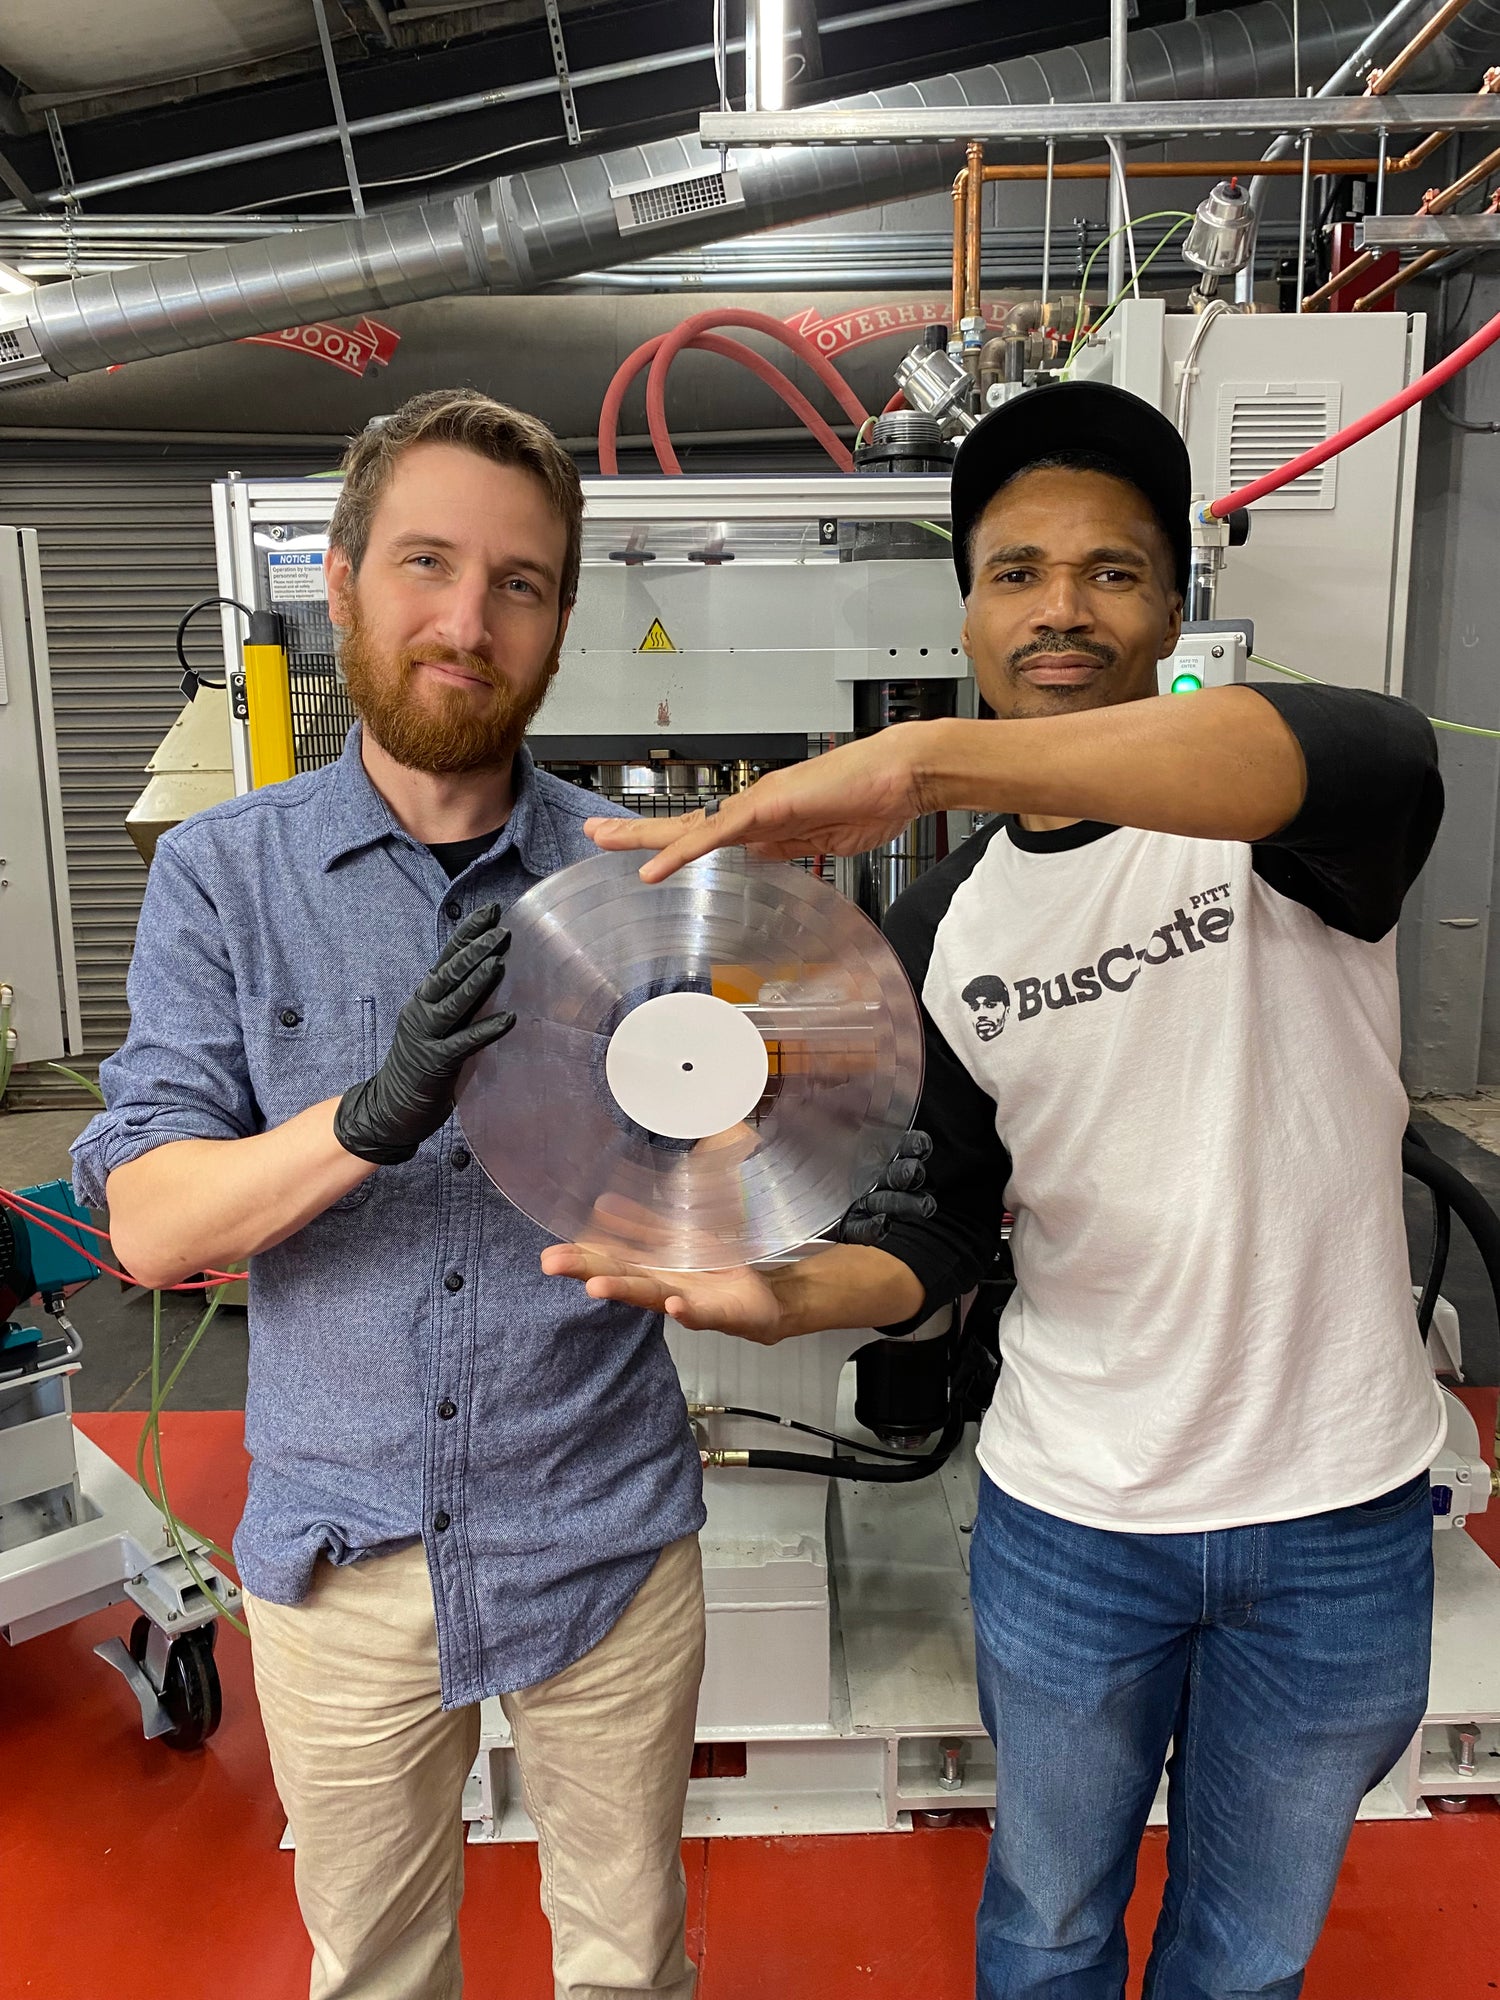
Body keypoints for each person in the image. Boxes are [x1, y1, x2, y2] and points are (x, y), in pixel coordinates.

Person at [553, 382, 1445, 2000]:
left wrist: (916, 762)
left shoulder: (1285, 822)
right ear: (965, 605)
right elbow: (944, 1225)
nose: (1062, 608)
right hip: (1074, 1518)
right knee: (1042, 1930)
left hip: (1336, 1511)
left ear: (1174, 601)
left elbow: (1367, 749)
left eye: (1113, 570)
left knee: (1249, 1961)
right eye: (1016, 570)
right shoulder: (942, 931)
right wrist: (787, 1297)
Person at [73, 390, 711, 2000]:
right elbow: (150, 1223)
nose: (466, 619)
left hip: (602, 1533)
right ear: (344, 579)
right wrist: (366, 1120)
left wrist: (785, 1113)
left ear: (562, 621)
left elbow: (730, 1173)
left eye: (520, 582)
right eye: (426, 562)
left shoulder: (638, 876)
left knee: (631, 1966)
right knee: (375, 1970)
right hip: (339, 1554)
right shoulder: (223, 875)